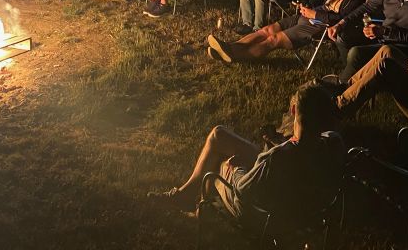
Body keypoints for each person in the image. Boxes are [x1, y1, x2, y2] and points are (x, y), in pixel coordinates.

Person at [146, 83, 343, 234]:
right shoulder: (332, 143)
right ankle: (186, 196)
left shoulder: (278, 157)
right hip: (305, 207)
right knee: (218, 135)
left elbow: (243, 190)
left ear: (293, 111)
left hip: (263, 215)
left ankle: (197, 208)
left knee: (221, 161)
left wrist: (235, 169)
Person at [208, 0, 367, 64]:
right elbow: (322, 3)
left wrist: (314, 15)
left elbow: (341, 19)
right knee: (267, 30)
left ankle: (234, 57)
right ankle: (229, 47)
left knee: (273, 40)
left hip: (319, 26)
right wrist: (307, 6)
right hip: (307, 16)